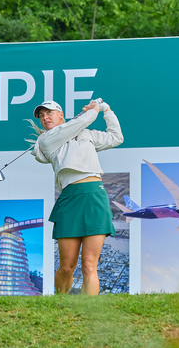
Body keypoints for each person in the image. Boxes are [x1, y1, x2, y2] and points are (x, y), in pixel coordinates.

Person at [31, 98, 123, 295]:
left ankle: (87, 316)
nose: (45, 117)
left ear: (61, 114)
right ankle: (60, 305)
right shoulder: (47, 139)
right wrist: (95, 109)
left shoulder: (85, 134)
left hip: (94, 196)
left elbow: (116, 137)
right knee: (67, 266)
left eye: (49, 113)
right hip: (70, 198)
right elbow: (80, 122)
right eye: (41, 115)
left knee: (89, 265)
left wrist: (107, 109)